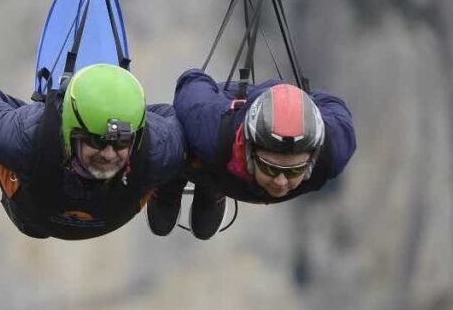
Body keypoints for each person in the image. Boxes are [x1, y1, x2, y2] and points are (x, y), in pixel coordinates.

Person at [0, 63, 187, 240]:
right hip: (34, 215)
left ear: (135, 138)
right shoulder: (25, 140)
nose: (109, 154)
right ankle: (168, 182)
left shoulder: (158, 152)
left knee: (172, 155)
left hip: (38, 211)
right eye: (96, 141)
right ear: (70, 134)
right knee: (34, 229)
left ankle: (168, 182)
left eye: (121, 141)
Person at [147, 68, 356, 240]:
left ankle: (212, 184)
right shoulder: (211, 130)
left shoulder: (331, 153)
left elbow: (334, 105)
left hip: (230, 148)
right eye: (270, 167)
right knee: (175, 138)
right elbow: (191, 81)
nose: (281, 182)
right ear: (248, 151)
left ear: (311, 161)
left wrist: (302, 101)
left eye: (294, 170)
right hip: (218, 113)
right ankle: (173, 175)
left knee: (203, 222)